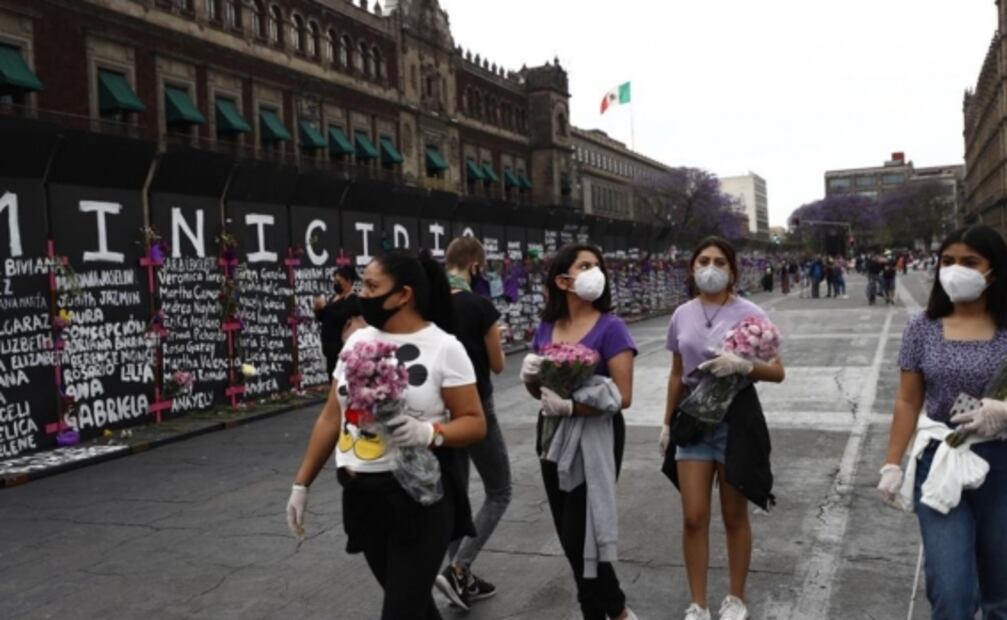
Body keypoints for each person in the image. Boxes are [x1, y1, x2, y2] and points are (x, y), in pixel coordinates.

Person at [287, 250, 487, 620]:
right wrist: (302, 484)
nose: (363, 293)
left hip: (419, 499)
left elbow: (474, 422)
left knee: (400, 612)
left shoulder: (445, 348)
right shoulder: (357, 343)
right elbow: (332, 417)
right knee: (414, 608)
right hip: (363, 496)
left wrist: (429, 432)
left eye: (372, 286)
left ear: (403, 295)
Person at [877, 224, 1007, 619]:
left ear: (994, 270)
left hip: (1001, 466)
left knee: (1000, 594)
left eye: (970, 262)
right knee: (952, 591)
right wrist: (892, 462)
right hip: (940, 461)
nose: (955, 270)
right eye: (947, 262)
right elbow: (907, 399)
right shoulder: (921, 327)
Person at [659, 236, 786, 620]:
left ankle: (735, 597)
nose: (709, 268)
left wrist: (744, 366)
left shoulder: (751, 313)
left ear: (732, 270)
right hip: (694, 421)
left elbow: (778, 371)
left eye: (718, 261)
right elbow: (677, 373)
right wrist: (667, 423)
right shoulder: (682, 313)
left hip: (736, 421)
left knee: (734, 516)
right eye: (702, 261)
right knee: (694, 515)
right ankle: (698, 602)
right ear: (692, 268)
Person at [519, 244, 639, 620]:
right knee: (566, 531)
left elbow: (623, 396)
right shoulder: (546, 327)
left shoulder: (611, 327)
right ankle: (596, 609)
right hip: (551, 433)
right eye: (584, 265)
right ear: (562, 280)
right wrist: (531, 380)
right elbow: (540, 392)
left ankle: (615, 608)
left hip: (595, 436)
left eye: (597, 266)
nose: (595, 271)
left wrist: (573, 406)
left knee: (579, 533)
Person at [434, 237, 512, 610]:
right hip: (476, 407)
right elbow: (498, 365)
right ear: (476, 267)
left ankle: (456, 574)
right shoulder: (480, 306)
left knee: (457, 497)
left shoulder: (428, 306)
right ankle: (459, 568)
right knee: (500, 491)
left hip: (440, 410)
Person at [313, 265, 362, 378]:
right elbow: (324, 318)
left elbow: (341, 317)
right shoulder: (334, 297)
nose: (336, 283)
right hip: (328, 344)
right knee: (331, 373)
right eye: (335, 280)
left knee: (340, 375)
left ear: (348, 281)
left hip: (340, 344)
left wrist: (326, 307)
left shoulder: (352, 299)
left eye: (339, 281)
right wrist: (318, 310)